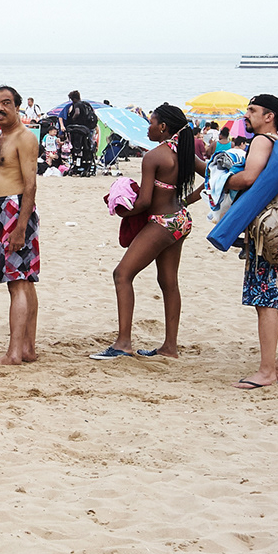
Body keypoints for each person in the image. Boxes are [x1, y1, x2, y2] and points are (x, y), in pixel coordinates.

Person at [92, 104, 199, 361]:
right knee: (169, 282)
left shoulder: (153, 157)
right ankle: (169, 347)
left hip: (162, 222)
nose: (147, 127)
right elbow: (217, 178)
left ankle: (123, 343)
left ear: (163, 127)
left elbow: (143, 202)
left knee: (122, 274)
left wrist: (121, 211)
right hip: (180, 219)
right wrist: (187, 200)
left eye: (151, 122)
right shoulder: (183, 153)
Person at [224, 94, 278, 389]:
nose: (246, 115)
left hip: (267, 232)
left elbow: (250, 178)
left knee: (265, 303)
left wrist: (223, 180)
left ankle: (265, 372)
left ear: (269, 116)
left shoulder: (263, 141)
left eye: (252, 110)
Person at [0, 86, 40, 365]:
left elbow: (31, 184)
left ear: (18, 107)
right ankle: (27, 348)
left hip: (13, 210)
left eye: (6, 103)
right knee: (23, 280)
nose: (0, 108)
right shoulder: (0, 137)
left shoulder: (24, 137)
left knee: (17, 281)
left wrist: (21, 226)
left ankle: (14, 353)